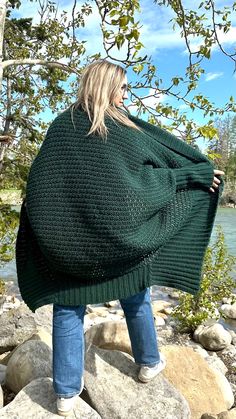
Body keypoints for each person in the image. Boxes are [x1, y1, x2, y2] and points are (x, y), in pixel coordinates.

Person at [15, 59, 224, 417]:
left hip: (68, 250)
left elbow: (38, 188)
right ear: (106, 86)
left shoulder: (59, 128)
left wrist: (52, 235)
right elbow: (146, 185)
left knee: (68, 308)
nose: (126, 94)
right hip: (117, 246)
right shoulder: (122, 130)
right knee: (136, 296)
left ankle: (65, 394)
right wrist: (194, 175)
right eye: (123, 87)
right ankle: (148, 363)